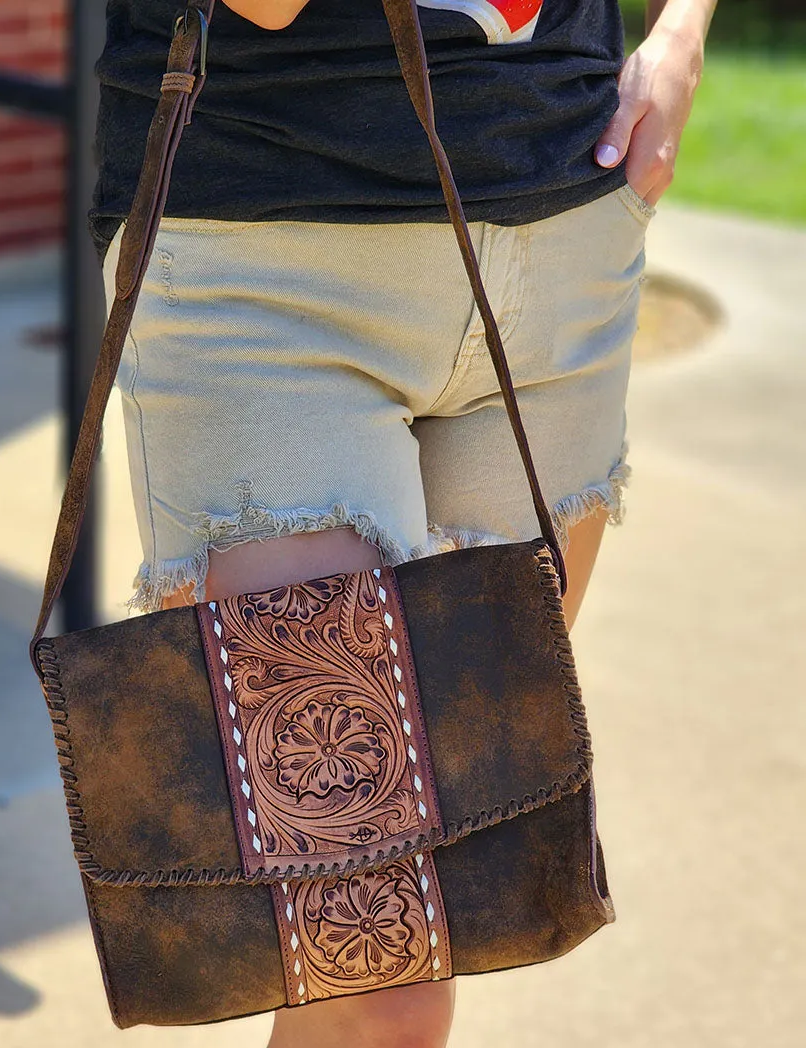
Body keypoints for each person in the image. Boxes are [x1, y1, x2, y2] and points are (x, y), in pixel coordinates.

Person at [89, 0, 716, 1045]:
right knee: (379, 974)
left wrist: (684, 29)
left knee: (445, 874)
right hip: (269, 266)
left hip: (559, 238)